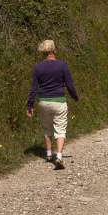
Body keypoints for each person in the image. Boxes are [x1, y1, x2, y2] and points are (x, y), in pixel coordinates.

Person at [27, 39, 79, 170]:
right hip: (59, 102)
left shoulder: (38, 67)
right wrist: (75, 97)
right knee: (60, 129)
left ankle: (49, 154)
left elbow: (34, 88)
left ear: (43, 52)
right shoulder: (62, 66)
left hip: (43, 102)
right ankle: (59, 156)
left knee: (47, 128)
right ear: (54, 50)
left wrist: (30, 105)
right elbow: (70, 85)